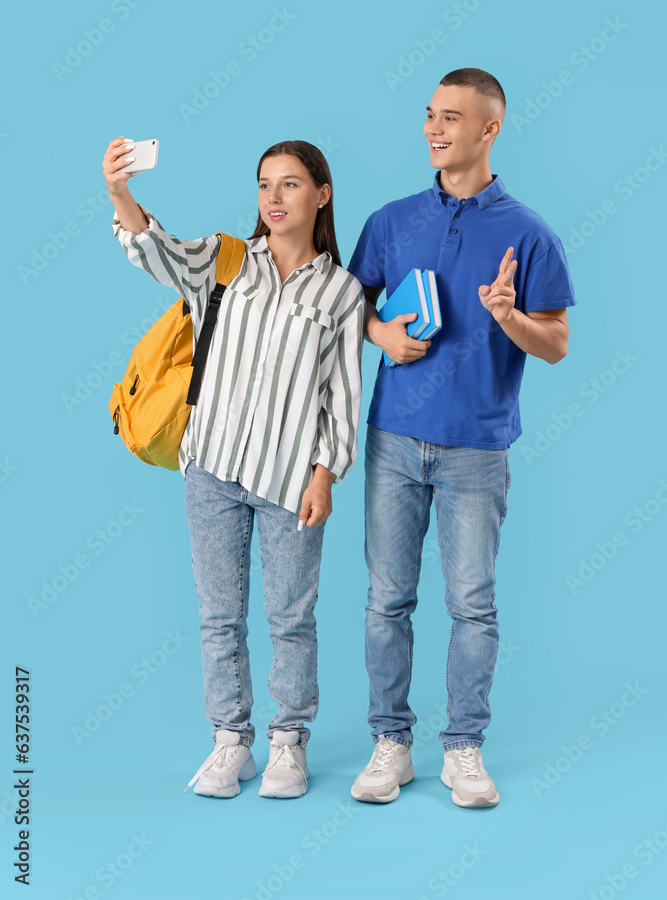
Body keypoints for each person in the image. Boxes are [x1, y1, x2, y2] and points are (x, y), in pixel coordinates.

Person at [103, 138, 365, 799]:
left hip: (287, 478)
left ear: (321, 194)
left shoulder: (339, 292)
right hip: (211, 466)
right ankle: (229, 743)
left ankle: (286, 744)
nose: (274, 198)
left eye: (290, 185)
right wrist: (120, 193)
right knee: (219, 615)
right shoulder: (226, 261)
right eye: (263, 185)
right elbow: (155, 252)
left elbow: (342, 394)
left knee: (290, 617)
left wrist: (324, 474)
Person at [346, 68, 577, 808]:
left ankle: (463, 750)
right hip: (392, 439)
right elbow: (344, 309)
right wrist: (380, 329)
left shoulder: (529, 234)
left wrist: (509, 317)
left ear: (489, 129)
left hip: (476, 447)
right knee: (386, 600)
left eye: (451, 117)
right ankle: (390, 743)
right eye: (428, 115)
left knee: (471, 604)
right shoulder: (389, 220)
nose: (434, 129)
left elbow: (557, 345)